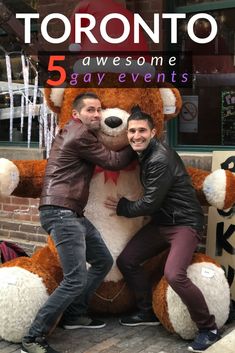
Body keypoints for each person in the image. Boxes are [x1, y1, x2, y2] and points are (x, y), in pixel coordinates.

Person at [21, 92, 135, 353]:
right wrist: (138, 141)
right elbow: (113, 161)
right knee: (74, 278)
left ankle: (75, 315)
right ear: (76, 114)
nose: (97, 115)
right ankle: (33, 337)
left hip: (71, 212)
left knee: (103, 260)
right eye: (90, 110)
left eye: (98, 110)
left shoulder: (77, 131)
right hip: (60, 212)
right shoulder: (79, 134)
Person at [105, 106, 221, 352]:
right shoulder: (143, 153)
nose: (136, 136)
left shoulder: (159, 158)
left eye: (142, 131)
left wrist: (123, 207)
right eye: (132, 131)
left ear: (154, 132)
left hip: (184, 223)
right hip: (162, 223)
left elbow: (150, 203)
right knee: (127, 260)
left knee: (174, 274)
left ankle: (208, 328)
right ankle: (147, 311)